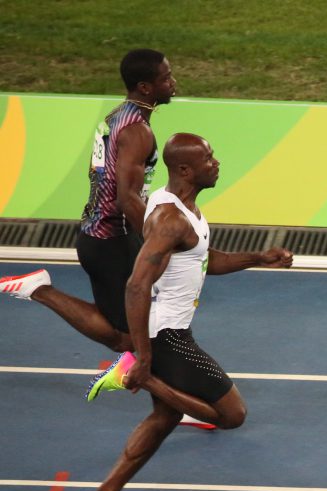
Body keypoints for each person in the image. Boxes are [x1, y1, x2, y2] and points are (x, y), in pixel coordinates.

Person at [71, 133, 291, 491]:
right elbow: (136, 285)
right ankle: (135, 373)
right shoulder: (170, 221)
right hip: (167, 338)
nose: (216, 163)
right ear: (186, 170)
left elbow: (205, 261)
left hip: (168, 332)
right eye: (209, 158)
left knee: (165, 416)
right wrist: (145, 357)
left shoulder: (183, 210)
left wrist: (258, 258)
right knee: (231, 415)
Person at [0, 49, 211, 430]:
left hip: (100, 234)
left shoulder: (118, 116)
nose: (173, 82)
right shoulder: (137, 131)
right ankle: (41, 291)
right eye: (166, 78)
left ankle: (172, 402)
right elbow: (126, 197)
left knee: (138, 331)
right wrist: (158, 240)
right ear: (145, 87)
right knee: (130, 337)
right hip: (111, 239)